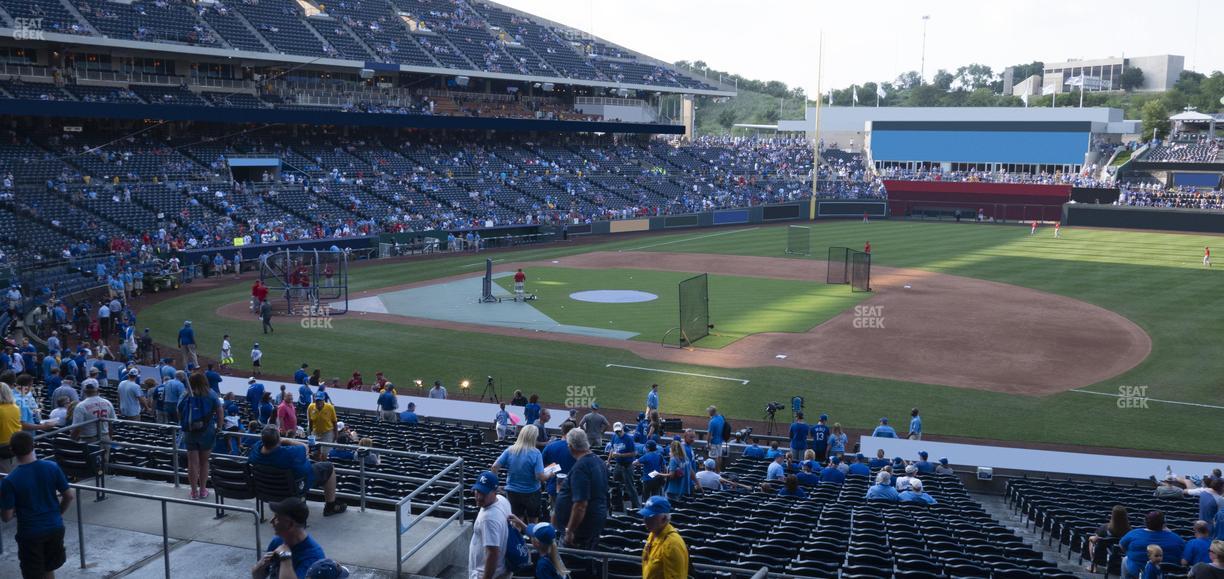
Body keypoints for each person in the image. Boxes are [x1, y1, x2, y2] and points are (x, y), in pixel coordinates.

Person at [1, 431, 74, 579]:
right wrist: (58, 513)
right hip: (55, 527)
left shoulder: (9, 481)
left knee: (33, 574)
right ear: (33, 446)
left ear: (12, 450)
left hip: (30, 534)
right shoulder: (52, 467)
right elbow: (69, 495)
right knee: (49, 569)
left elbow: (6, 517)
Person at [247, 426, 347, 516]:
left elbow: (261, 445)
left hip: (264, 489)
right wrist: (287, 440)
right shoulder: (289, 453)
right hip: (293, 489)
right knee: (329, 467)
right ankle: (330, 506)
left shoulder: (256, 450)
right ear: (278, 440)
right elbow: (305, 447)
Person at [552, 429, 607, 549]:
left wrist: (570, 530)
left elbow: (581, 505)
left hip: (579, 530)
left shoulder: (581, 467)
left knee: (569, 563)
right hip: (592, 524)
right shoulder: (599, 461)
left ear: (571, 446)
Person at [251, 497, 327, 579]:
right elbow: (257, 576)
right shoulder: (277, 541)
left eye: (277, 518)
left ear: (290, 524)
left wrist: (286, 558)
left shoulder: (313, 557)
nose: (271, 521)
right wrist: (262, 563)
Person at [179, 373, 224, 500]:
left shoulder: (186, 393)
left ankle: (194, 492)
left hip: (190, 432)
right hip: (207, 432)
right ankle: (203, 490)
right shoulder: (211, 393)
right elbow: (220, 412)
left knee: (192, 463)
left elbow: (179, 410)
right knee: (204, 463)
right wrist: (219, 427)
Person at [491, 423, 548, 523]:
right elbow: (540, 477)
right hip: (532, 493)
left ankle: (517, 538)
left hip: (512, 492)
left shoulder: (510, 450)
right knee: (532, 522)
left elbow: (494, 467)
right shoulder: (536, 453)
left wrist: (496, 485)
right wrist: (550, 474)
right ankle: (532, 539)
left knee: (515, 523)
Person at [469, 471, 512, 579]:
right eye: (477, 491)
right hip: (501, 569)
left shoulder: (488, 519)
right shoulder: (502, 500)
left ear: (494, 492)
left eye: (484, 493)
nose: (478, 497)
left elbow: (493, 554)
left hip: (485, 573)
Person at [1120, 511, 1185, 579]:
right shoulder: (1176, 538)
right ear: (1163, 524)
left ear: (1146, 522)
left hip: (1139, 572)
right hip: (1168, 574)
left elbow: (1122, 546)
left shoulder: (1134, 533)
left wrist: (1130, 553)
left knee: (1125, 559)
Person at [639, 495, 687, 579]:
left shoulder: (672, 545)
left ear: (664, 518)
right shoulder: (653, 533)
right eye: (644, 516)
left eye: (650, 517)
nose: (645, 520)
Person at [1088, 505, 1133, 573]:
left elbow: (1095, 539)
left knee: (1092, 541)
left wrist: (1090, 537)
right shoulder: (1129, 530)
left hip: (1104, 551)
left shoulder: (1105, 528)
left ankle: (1094, 565)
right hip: (1121, 554)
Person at [608, 421, 640, 510]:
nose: (618, 433)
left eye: (619, 431)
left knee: (629, 486)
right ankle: (617, 505)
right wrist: (608, 461)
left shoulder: (628, 439)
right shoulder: (614, 437)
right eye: (616, 431)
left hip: (627, 465)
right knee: (615, 484)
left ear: (622, 429)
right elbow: (612, 449)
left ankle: (636, 506)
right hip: (618, 465)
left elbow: (634, 453)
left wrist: (620, 455)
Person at [72, 380, 115, 446]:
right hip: (105, 437)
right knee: (105, 456)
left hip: (88, 440)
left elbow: (77, 428)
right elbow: (111, 424)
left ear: (84, 391)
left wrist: (72, 440)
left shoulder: (81, 406)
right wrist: (109, 438)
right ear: (97, 389)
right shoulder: (108, 403)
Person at [307, 397, 338, 461]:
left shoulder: (330, 407)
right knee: (314, 453)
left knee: (325, 453)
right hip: (315, 432)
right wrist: (310, 432)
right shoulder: (311, 407)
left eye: (320, 400)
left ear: (323, 401)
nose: (318, 402)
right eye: (317, 400)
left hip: (327, 432)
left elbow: (334, 422)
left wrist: (336, 434)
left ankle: (323, 466)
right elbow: (310, 421)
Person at [706, 406, 726, 471]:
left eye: (709, 411)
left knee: (714, 458)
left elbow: (709, 434)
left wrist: (708, 443)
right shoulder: (721, 418)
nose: (708, 412)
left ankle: (714, 472)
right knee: (719, 457)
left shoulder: (712, 422)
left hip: (714, 442)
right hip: (720, 441)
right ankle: (718, 471)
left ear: (711, 412)